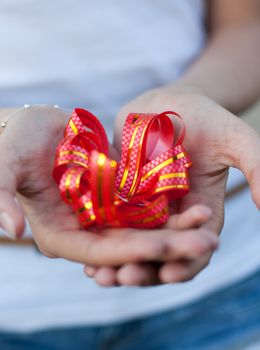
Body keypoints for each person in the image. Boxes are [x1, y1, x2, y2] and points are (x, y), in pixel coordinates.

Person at [0, 0, 260, 349]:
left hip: (226, 285)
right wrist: (7, 124)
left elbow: (247, 24)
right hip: (14, 306)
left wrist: (192, 95)